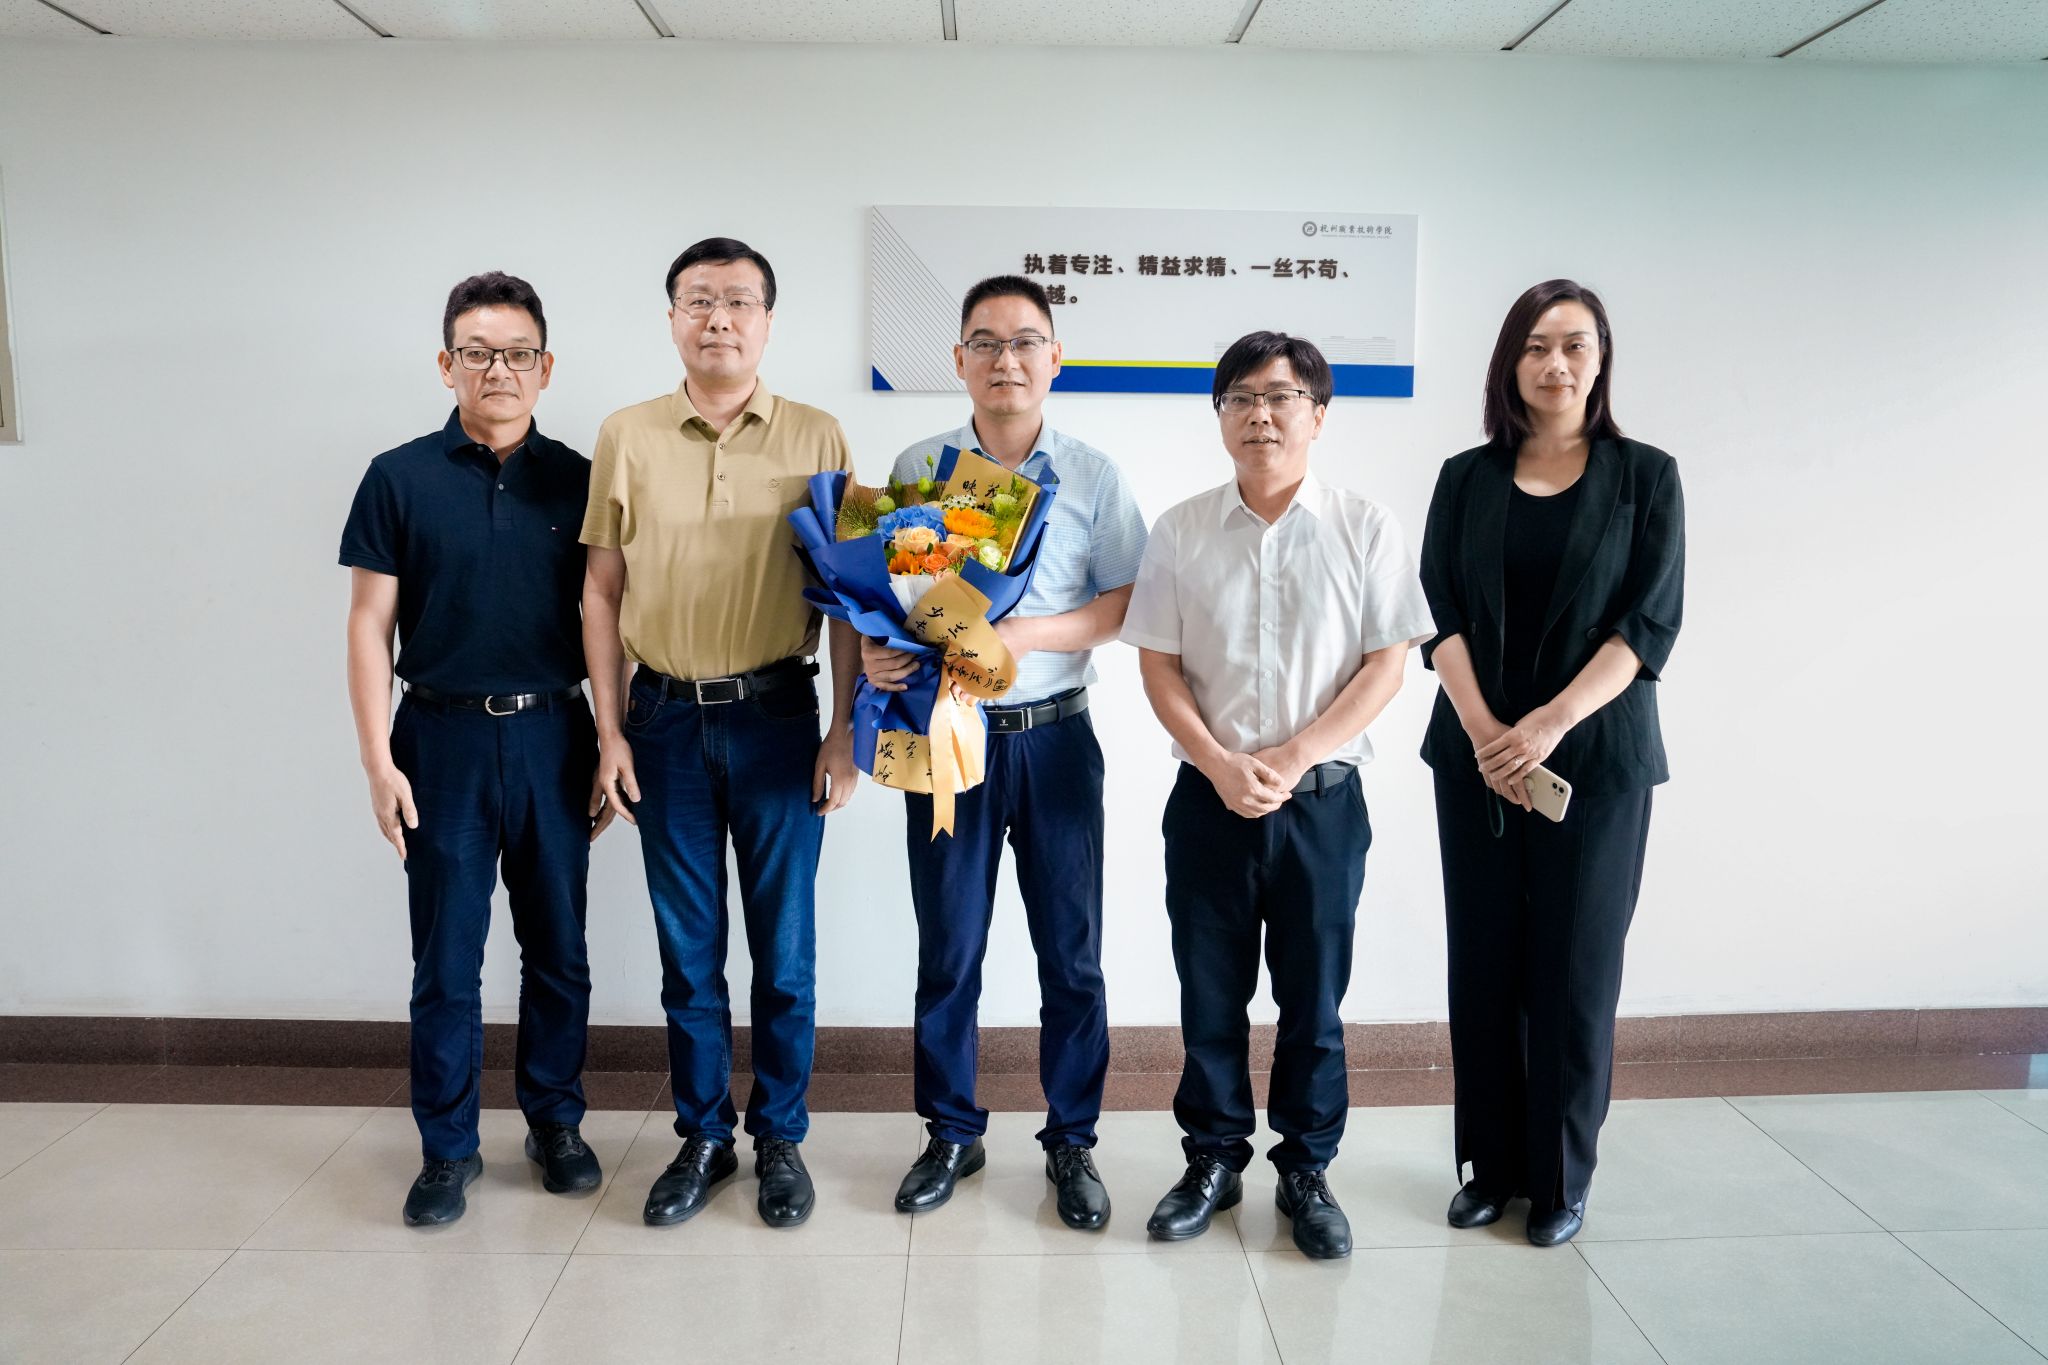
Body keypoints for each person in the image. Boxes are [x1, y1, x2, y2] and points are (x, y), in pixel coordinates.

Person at [1120, 332, 1433, 1260]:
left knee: (1313, 1000)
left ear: (1318, 415)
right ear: (1220, 416)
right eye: (1241, 398)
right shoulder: (1181, 529)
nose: (1261, 413)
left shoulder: (1365, 526)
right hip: (1207, 800)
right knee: (1209, 995)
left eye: (1282, 396)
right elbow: (1159, 666)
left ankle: (1307, 1168)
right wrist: (1220, 762)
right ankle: (1213, 1159)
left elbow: (1387, 665)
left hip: (1323, 804)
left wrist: (1293, 757)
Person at [581, 237, 861, 1231]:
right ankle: (703, 1135)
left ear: (767, 322)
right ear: (672, 319)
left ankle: (779, 1135)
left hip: (780, 718)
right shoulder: (627, 434)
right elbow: (600, 590)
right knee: (688, 953)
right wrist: (609, 732)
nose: (718, 318)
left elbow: (849, 598)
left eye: (739, 300)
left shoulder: (819, 435)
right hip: (660, 722)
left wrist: (846, 731)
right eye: (698, 299)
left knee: (783, 954)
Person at [862, 275, 1147, 1229]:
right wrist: (880, 650)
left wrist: (1024, 635)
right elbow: (888, 599)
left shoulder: (1093, 475)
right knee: (949, 947)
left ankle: (1072, 1138)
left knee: (1072, 953)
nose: (1006, 359)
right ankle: (951, 1130)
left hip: (1056, 736)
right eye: (984, 342)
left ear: (1055, 358)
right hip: (947, 735)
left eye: (1026, 341)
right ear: (958, 360)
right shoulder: (919, 467)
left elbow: (1125, 603)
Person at [1419, 279, 1685, 1247]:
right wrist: (1486, 728)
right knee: (1484, 963)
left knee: (1575, 973)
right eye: (1535, 345)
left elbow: (1647, 625)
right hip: (1476, 759)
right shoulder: (1465, 477)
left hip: (1597, 763)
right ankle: (1489, 1169)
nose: (1555, 363)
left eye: (1574, 344)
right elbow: (1437, 611)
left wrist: (1547, 724)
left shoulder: (1645, 477)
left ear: (1600, 360)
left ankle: (1562, 1179)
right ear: (1509, 363)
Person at [340, 271, 605, 1228]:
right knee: (447, 959)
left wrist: (610, 740)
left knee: (558, 947)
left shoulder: (582, 478)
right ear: (447, 364)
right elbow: (368, 625)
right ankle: (447, 1147)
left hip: (554, 734)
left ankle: (555, 1122)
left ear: (546, 368)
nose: (500, 370)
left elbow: (608, 616)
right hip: (438, 739)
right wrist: (378, 760)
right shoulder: (398, 476)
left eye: (518, 353)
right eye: (479, 353)